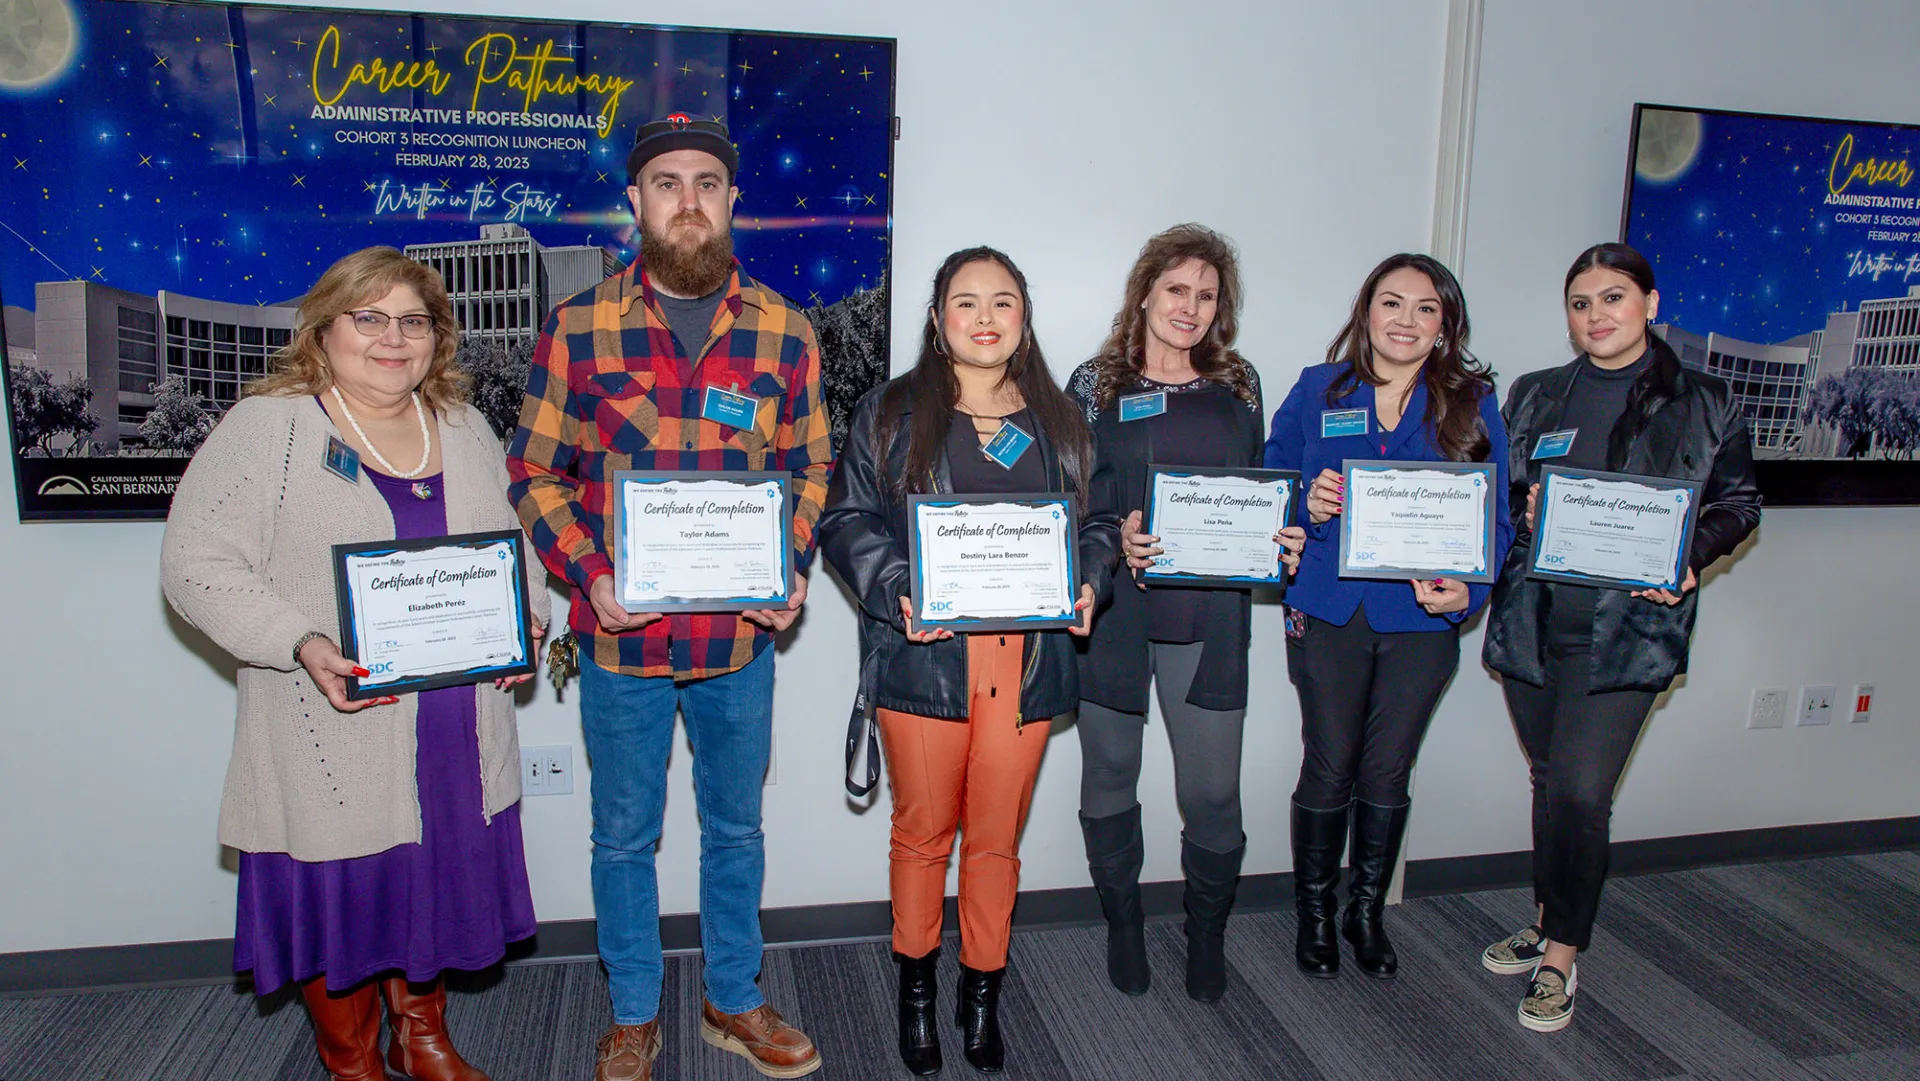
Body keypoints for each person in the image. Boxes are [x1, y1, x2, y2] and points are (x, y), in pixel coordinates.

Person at [160, 246, 550, 1081]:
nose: (392, 338)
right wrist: (300, 642)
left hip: (457, 729)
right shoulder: (273, 428)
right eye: (368, 317)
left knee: (435, 880)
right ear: (324, 328)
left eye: (413, 320)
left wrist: (529, 621)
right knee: (347, 897)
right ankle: (352, 1058)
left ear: (437, 337)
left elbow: (515, 547)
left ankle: (423, 1035)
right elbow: (195, 563)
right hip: (334, 729)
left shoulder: (464, 425)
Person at [506, 117, 831, 1081]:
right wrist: (589, 576)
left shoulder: (785, 328)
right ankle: (634, 1012)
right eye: (664, 183)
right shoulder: (578, 327)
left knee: (737, 829)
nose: (686, 199)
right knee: (623, 838)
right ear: (636, 204)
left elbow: (811, 465)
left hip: (739, 644)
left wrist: (790, 562)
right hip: (624, 645)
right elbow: (532, 469)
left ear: (731, 201)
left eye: (704, 183)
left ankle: (733, 999)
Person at [818, 247, 1120, 1075]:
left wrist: (1090, 581)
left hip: (1026, 662)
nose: (985, 318)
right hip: (926, 659)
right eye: (966, 303)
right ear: (939, 318)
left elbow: (1099, 526)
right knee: (922, 835)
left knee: (994, 839)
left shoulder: (1061, 418)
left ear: (1023, 318)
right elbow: (845, 521)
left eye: (1003, 302)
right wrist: (901, 586)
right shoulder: (892, 410)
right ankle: (916, 993)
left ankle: (980, 991)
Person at [1480, 242, 1760, 1032]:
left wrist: (1691, 560)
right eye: (1580, 303)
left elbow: (1738, 504)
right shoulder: (1536, 395)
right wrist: (1519, 513)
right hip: (1536, 623)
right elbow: (1497, 501)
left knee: (1581, 792)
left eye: (1612, 298)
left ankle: (1563, 954)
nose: (1596, 316)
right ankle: (1545, 913)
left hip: (1631, 629)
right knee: (1548, 781)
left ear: (1650, 303)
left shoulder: (1706, 400)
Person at [1063, 224, 1304, 1003]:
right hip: (1115, 615)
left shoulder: (1240, 383)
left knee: (1211, 794)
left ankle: (1208, 931)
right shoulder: (1094, 383)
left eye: (1206, 295)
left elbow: (1256, 483)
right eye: (1177, 289)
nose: (1190, 307)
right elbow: (1069, 498)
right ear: (1145, 290)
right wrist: (1110, 534)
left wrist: (1280, 534)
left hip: (1211, 617)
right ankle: (1125, 919)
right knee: (1110, 770)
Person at [1264, 252, 1512, 982]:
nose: (1406, 320)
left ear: (1445, 325)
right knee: (1328, 761)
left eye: (1425, 308)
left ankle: (1363, 912)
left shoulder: (1473, 399)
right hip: (1329, 607)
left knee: (1387, 768)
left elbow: (1493, 514)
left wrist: (1470, 588)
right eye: (1391, 302)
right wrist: (1301, 503)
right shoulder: (1319, 388)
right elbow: (1273, 477)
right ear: (1365, 311)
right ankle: (1314, 912)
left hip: (1421, 616)